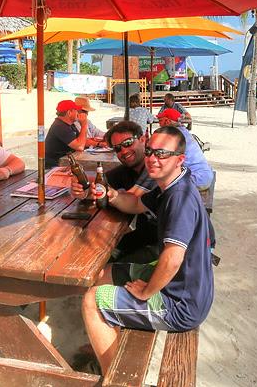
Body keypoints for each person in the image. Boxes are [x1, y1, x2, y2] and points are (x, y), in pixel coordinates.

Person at [81, 127, 215, 375]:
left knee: (91, 300)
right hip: (185, 285)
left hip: (180, 303)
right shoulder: (171, 185)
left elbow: (172, 259)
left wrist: (146, 291)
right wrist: (110, 194)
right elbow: (133, 203)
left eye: (162, 154)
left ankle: (116, 378)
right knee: (102, 274)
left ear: (179, 160)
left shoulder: (180, 199)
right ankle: (107, 341)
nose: (153, 158)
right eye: (151, 151)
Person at [70, 121, 158, 262]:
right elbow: (100, 185)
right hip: (145, 235)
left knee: (100, 266)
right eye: (117, 148)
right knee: (92, 254)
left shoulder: (154, 167)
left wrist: (110, 194)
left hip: (166, 246)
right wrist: (82, 190)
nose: (123, 151)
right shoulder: (127, 170)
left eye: (128, 143)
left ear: (143, 139)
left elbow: (133, 199)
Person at [155, 108, 213, 189]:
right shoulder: (184, 131)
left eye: (160, 121)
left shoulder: (174, 136)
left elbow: (163, 158)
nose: (159, 124)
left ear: (167, 122)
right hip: (206, 175)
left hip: (196, 178)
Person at [44, 99, 88, 169]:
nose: (78, 113)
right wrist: (84, 124)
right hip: (55, 167)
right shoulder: (59, 126)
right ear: (69, 112)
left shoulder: (69, 124)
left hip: (65, 163)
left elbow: (81, 140)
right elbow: (80, 146)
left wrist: (99, 143)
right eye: (76, 110)